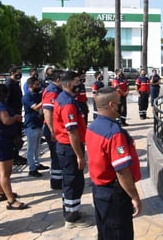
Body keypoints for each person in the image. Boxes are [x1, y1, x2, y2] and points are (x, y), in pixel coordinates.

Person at [85, 86, 142, 239]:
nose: (121, 105)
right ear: (111, 105)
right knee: (119, 234)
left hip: (100, 191)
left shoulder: (93, 126)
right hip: (114, 194)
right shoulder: (114, 133)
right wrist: (134, 197)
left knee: (104, 232)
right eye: (119, 102)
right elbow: (122, 171)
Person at [53, 71, 91, 228]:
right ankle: (71, 218)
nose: (79, 84)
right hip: (69, 148)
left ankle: (72, 210)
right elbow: (72, 132)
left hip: (67, 147)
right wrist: (79, 156)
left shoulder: (66, 99)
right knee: (72, 182)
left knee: (73, 181)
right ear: (68, 84)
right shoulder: (67, 103)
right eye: (77, 82)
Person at [0, 84, 28, 210]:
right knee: (5, 173)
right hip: (3, 141)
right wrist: (16, 118)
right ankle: (11, 200)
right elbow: (6, 120)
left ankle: (1, 192)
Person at [22, 77, 49, 177]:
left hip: (38, 124)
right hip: (31, 125)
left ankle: (37, 163)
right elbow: (36, 108)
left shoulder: (38, 95)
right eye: (37, 85)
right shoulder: (27, 97)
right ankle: (32, 168)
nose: (39, 86)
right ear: (30, 86)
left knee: (38, 147)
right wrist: (45, 100)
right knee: (31, 148)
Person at [42, 70, 63, 190]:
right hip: (53, 129)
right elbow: (47, 112)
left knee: (57, 155)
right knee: (56, 155)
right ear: (58, 79)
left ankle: (58, 178)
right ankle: (56, 181)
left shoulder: (56, 90)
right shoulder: (52, 91)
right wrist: (52, 131)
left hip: (55, 128)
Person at [5, 65, 26, 165]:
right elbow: (6, 101)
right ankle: (14, 157)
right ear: (12, 73)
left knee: (18, 135)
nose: (20, 74)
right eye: (18, 72)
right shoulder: (9, 84)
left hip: (17, 112)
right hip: (13, 113)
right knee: (14, 137)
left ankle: (16, 155)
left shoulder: (15, 84)